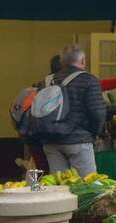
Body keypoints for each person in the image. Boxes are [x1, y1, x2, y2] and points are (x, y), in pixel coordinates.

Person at [28, 44, 107, 176]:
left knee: (60, 187)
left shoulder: (46, 82)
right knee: (87, 184)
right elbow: (98, 113)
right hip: (78, 140)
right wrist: (93, 133)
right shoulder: (88, 80)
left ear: (61, 62)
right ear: (82, 61)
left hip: (51, 141)